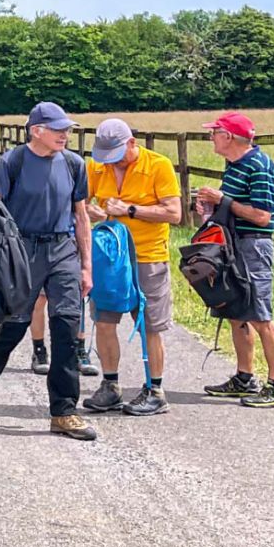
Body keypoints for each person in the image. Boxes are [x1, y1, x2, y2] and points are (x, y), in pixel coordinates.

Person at [0, 102, 98, 442]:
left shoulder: (73, 164)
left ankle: (64, 411)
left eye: (67, 129)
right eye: (58, 129)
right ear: (36, 131)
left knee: (66, 326)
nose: (65, 134)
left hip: (62, 249)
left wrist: (86, 266)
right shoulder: (12, 162)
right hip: (22, 249)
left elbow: (81, 216)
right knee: (15, 325)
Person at [82, 119, 181, 416]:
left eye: (116, 155)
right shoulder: (96, 167)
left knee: (149, 324)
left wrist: (130, 210)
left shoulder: (158, 165)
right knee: (104, 320)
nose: (111, 162)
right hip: (110, 256)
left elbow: (174, 213)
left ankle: (155, 390)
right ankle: (110, 385)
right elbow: (80, 204)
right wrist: (89, 210)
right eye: (106, 156)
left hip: (148, 256)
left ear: (132, 143)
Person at [194, 112, 274, 408]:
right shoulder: (235, 165)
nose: (211, 138)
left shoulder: (259, 167)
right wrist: (211, 209)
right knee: (236, 310)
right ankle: (244, 377)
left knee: (260, 315)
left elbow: (262, 216)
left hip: (253, 245)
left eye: (214, 132)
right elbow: (235, 207)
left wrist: (222, 201)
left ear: (228, 136)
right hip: (234, 243)